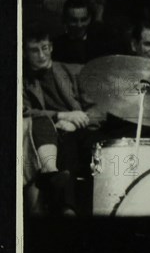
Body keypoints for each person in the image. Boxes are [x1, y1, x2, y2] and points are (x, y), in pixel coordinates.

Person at [22, 24, 97, 215]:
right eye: (34, 50)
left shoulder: (74, 71)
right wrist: (61, 116)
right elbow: (23, 111)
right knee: (64, 149)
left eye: (44, 48)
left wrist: (76, 120)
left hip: (80, 129)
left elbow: (98, 106)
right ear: (23, 52)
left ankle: (68, 207)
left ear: (51, 47)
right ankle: (67, 209)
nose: (41, 55)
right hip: (49, 133)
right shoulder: (22, 79)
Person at [51, 0, 115, 64]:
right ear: (64, 20)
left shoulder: (101, 44)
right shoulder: (56, 46)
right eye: (74, 20)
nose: (79, 25)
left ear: (89, 19)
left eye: (83, 20)